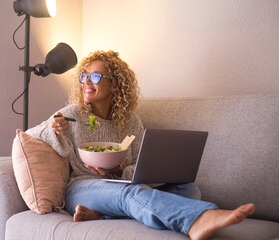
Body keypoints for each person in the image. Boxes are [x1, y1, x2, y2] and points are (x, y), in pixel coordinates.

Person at [26, 50, 255, 240]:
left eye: (95, 77)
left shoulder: (130, 121)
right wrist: (53, 127)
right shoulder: (72, 114)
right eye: (84, 76)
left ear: (115, 86)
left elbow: (137, 168)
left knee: (189, 190)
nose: (86, 81)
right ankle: (197, 220)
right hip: (82, 187)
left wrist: (118, 170)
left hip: (120, 185)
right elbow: (30, 134)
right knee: (131, 193)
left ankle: (104, 215)